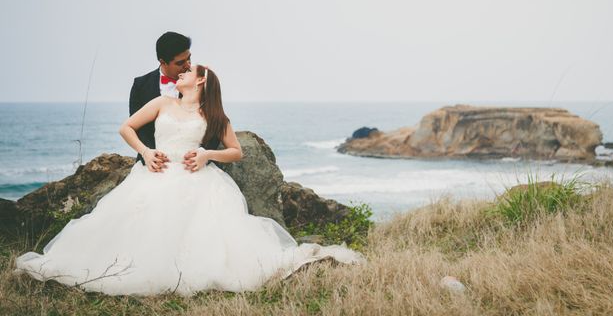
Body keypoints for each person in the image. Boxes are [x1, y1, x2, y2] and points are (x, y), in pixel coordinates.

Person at [14, 65, 365, 296]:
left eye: (188, 71)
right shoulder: (162, 103)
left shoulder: (213, 115)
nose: (181, 72)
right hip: (156, 173)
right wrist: (147, 152)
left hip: (197, 179)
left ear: (202, 81)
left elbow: (236, 152)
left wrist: (208, 155)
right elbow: (126, 128)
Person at [129, 31, 223, 170]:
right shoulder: (140, 85)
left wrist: (203, 154)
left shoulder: (198, 82)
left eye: (189, 58)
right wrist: (148, 154)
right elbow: (136, 127)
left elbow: (215, 121)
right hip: (152, 165)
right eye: (180, 62)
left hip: (191, 167)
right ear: (163, 62)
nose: (187, 65)